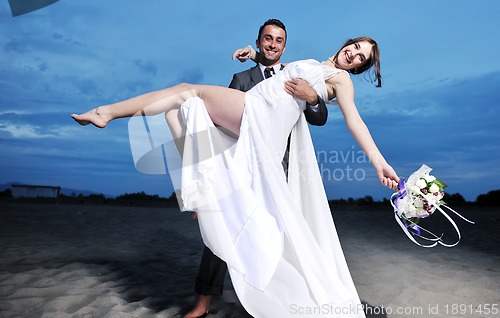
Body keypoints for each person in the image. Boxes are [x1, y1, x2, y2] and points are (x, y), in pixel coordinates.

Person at [72, 36, 399, 317]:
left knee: (187, 91)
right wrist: (254, 54)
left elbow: (354, 121)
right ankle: (197, 181)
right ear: (347, 43)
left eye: (360, 58)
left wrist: (378, 161)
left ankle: (107, 113)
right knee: (178, 110)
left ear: (358, 67)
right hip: (257, 108)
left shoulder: (341, 80)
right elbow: (279, 71)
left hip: (262, 117)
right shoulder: (315, 61)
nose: (353, 55)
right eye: (355, 47)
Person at [186, 18, 329, 318]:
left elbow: (319, 117)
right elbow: (219, 129)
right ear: (259, 41)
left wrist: (312, 97)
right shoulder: (241, 79)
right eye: (268, 38)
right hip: (241, 171)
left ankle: (276, 305)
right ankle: (202, 305)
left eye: (278, 40)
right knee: (221, 234)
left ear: (284, 46)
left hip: (283, 175)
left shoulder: (296, 78)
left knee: (284, 241)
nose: (273, 44)